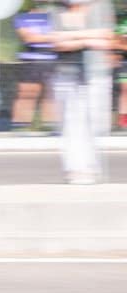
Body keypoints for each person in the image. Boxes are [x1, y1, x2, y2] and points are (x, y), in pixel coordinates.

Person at [48, 0, 114, 184]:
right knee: (71, 124)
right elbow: (56, 42)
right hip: (66, 73)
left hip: (95, 73)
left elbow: (106, 37)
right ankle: (75, 168)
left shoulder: (101, 6)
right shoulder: (56, 10)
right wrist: (89, 39)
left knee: (95, 122)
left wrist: (72, 37)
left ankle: (92, 166)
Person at [11, 1, 58, 132]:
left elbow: (62, 36)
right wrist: (53, 37)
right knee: (27, 94)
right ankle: (21, 128)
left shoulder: (56, 16)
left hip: (53, 61)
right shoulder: (22, 17)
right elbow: (29, 38)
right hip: (30, 61)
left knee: (51, 95)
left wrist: (43, 37)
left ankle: (51, 127)